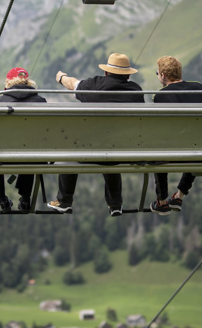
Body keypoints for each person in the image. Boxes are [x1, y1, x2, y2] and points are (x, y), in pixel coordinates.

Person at [47, 53, 144, 216]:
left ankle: (64, 201)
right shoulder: (136, 91)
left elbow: (72, 84)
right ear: (127, 75)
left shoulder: (94, 84)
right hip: (126, 152)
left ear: (106, 72)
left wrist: (61, 77)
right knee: (112, 150)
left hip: (91, 151)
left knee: (69, 150)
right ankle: (115, 204)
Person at [151, 55, 202, 215]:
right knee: (194, 141)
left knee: (157, 148)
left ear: (163, 75)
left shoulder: (160, 96)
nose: (158, 77)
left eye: (157, 73)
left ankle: (162, 201)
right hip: (201, 150)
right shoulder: (198, 87)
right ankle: (179, 196)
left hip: (172, 151)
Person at [0, 67, 47, 212]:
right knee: (30, 148)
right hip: (34, 156)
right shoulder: (41, 101)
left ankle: (2, 199)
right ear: (28, 82)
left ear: (8, 83)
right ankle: (26, 199)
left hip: (2, 156)